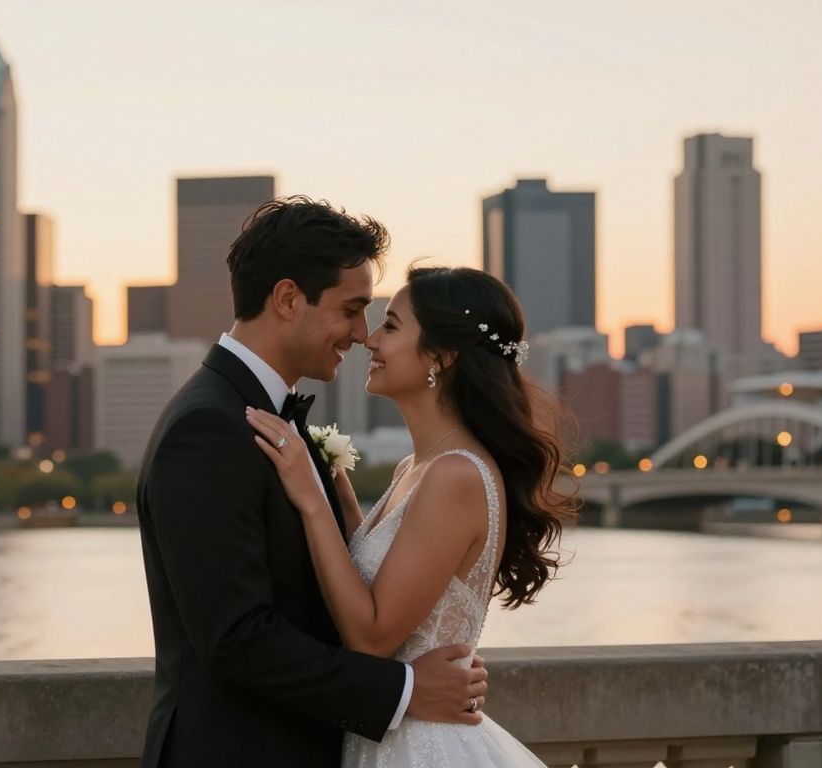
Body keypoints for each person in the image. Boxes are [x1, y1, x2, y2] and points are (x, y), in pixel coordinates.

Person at [136, 199, 489, 767]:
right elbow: (237, 639)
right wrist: (403, 690)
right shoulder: (209, 428)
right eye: (351, 310)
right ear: (287, 299)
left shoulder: (266, 418)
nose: (361, 334)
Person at [246, 265, 578, 767]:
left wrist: (311, 500)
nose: (370, 340)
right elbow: (382, 582)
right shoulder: (415, 468)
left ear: (441, 357)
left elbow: (372, 637)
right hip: (386, 733)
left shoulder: (455, 476)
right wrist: (344, 505)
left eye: (392, 326)